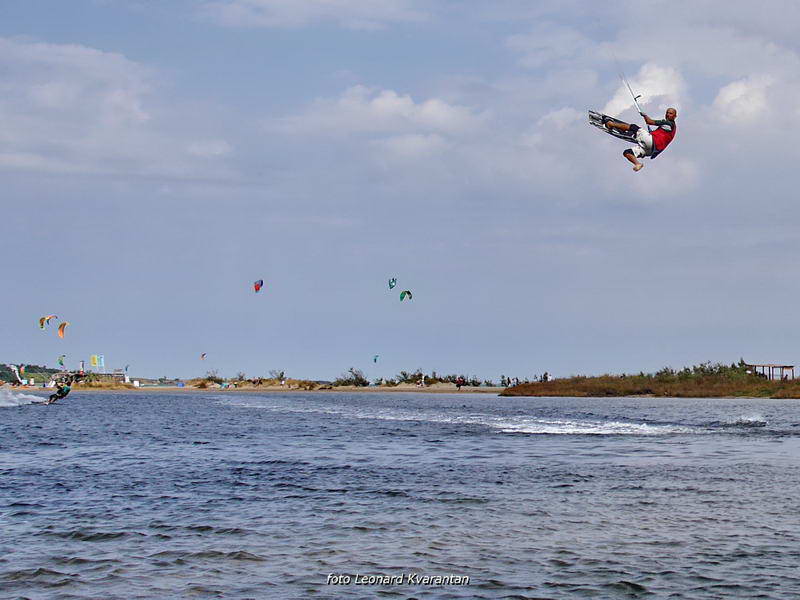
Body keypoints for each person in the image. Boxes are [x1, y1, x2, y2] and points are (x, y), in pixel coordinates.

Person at [605, 107, 677, 171]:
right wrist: (652, 133)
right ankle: (637, 164)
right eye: (667, 113)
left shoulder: (668, 123)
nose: (667, 114)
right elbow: (663, 136)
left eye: (670, 113)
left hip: (651, 141)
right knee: (627, 152)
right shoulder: (673, 129)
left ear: (675, 116)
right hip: (651, 151)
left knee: (634, 127)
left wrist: (644, 115)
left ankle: (610, 124)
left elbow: (649, 121)